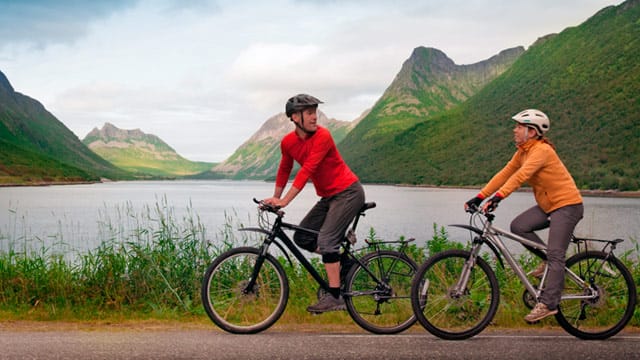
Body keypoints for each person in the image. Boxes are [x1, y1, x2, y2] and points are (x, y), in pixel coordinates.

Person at [464, 109, 583, 323]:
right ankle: (548, 262)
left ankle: (548, 303)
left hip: (567, 206)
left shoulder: (542, 151)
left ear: (532, 131)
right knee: (519, 226)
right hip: (548, 205)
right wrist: (480, 197)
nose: (515, 130)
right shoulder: (523, 151)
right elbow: (505, 173)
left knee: (556, 255)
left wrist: (498, 197)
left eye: (519, 126)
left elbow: (521, 176)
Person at [262, 93, 365, 313]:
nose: (314, 117)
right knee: (303, 236)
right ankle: (344, 264)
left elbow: (307, 170)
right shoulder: (288, 142)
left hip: (348, 192)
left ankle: (336, 297)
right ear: (295, 117)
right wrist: (275, 197)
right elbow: (284, 170)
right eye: (309, 113)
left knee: (327, 240)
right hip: (329, 197)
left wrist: (285, 201)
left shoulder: (323, 136)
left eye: (315, 112)